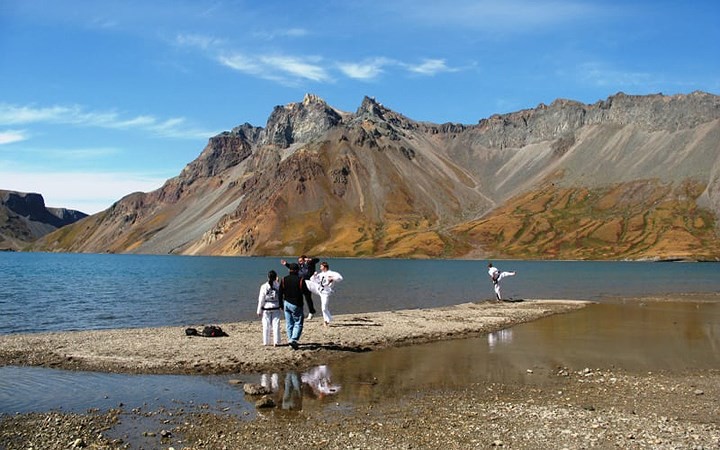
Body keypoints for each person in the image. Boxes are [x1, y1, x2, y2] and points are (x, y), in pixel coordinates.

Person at [305, 261, 343, 326]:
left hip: (325, 292)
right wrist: (314, 276)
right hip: (318, 289)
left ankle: (326, 320)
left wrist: (333, 278)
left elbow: (340, 278)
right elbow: (312, 280)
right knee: (306, 282)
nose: (320, 267)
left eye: (321, 266)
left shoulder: (331, 273)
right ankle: (297, 288)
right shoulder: (320, 274)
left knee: (324, 308)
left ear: (325, 267)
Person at [281, 255, 319, 320]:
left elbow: (317, 260)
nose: (300, 262)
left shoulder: (310, 264)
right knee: (298, 297)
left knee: (308, 298)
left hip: (309, 283)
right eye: (299, 261)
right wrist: (286, 264)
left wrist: (310, 260)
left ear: (304, 260)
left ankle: (311, 312)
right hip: (300, 282)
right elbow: (292, 267)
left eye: (301, 261)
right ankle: (298, 312)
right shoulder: (299, 266)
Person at [279, 263, 305, 350]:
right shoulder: (301, 280)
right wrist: (311, 307)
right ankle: (293, 339)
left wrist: (280, 304)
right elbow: (306, 294)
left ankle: (290, 341)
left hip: (286, 303)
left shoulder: (283, 279)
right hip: (296, 304)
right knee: (298, 323)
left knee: (289, 324)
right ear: (297, 270)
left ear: (289, 270)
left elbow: (280, 293)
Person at [256, 270, 282, 346]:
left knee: (266, 325)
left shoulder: (264, 286)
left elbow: (261, 299)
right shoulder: (278, 286)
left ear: (268, 277)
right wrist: (281, 305)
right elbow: (281, 297)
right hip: (276, 306)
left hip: (266, 307)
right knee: (276, 324)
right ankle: (276, 341)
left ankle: (266, 342)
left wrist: (259, 310)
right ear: (275, 277)